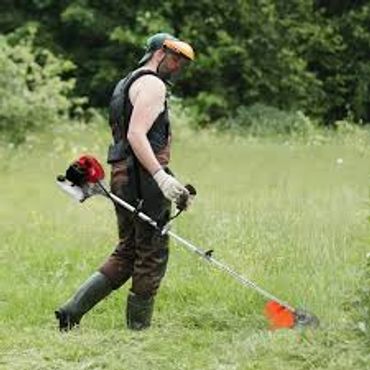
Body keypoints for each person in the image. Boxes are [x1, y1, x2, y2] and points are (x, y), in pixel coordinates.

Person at [55, 33, 195, 331]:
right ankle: (138, 334)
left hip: (123, 176)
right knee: (152, 252)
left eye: (182, 62)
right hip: (143, 178)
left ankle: (70, 312)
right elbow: (136, 135)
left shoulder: (125, 83)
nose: (179, 66)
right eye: (175, 59)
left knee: (129, 249)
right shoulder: (153, 84)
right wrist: (161, 177)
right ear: (159, 53)